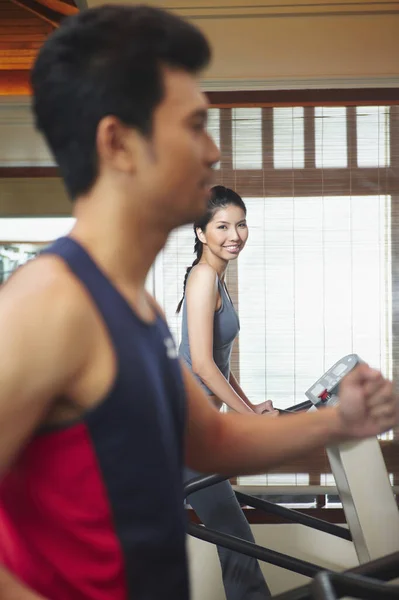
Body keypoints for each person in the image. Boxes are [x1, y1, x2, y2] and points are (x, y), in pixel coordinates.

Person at [0, 5, 397, 600]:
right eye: (193, 126)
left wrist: (340, 420)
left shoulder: (138, 310)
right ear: (120, 143)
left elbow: (208, 439)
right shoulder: (48, 303)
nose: (212, 152)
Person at [178, 185, 274, 599]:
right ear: (201, 232)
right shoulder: (203, 278)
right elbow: (201, 364)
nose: (234, 234)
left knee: (234, 538)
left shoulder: (216, 279)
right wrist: (248, 419)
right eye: (222, 226)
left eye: (241, 224)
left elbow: (218, 363)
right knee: (235, 538)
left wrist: (249, 405)